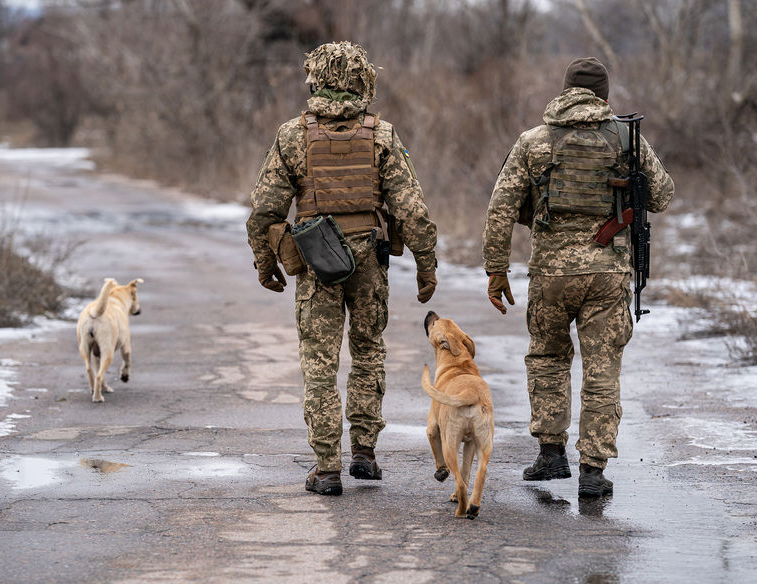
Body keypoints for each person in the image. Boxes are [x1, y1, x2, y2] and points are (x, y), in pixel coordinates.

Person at [246, 41, 438, 496]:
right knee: (369, 353)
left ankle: (327, 468)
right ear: (362, 79)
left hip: (317, 263)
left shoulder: (293, 135)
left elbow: (263, 211)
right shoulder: (383, 135)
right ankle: (366, 455)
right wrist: (426, 266)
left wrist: (265, 263)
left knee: (319, 365)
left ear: (316, 78)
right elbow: (413, 211)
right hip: (369, 259)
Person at [482, 57, 674, 498]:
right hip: (608, 273)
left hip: (550, 273)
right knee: (602, 369)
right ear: (604, 96)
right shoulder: (627, 139)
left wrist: (496, 269)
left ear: (566, 90)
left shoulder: (534, 141)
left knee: (548, 358)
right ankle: (593, 470)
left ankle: (551, 456)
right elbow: (662, 196)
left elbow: (501, 209)